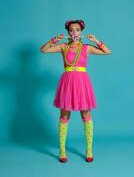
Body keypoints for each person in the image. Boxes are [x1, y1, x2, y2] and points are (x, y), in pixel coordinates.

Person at [40, 19, 111, 163]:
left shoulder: (87, 48)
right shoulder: (63, 47)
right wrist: (54, 40)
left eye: (77, 30)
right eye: (71, 30)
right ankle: (62, 150)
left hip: (82, 83)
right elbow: (43, 49)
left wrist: (95, 40)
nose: (74, 32)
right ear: (68, 32)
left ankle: (89, 149)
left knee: (86, 113)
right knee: (64, 115)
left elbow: (107, 51)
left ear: (81, 32)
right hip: (67, 83)